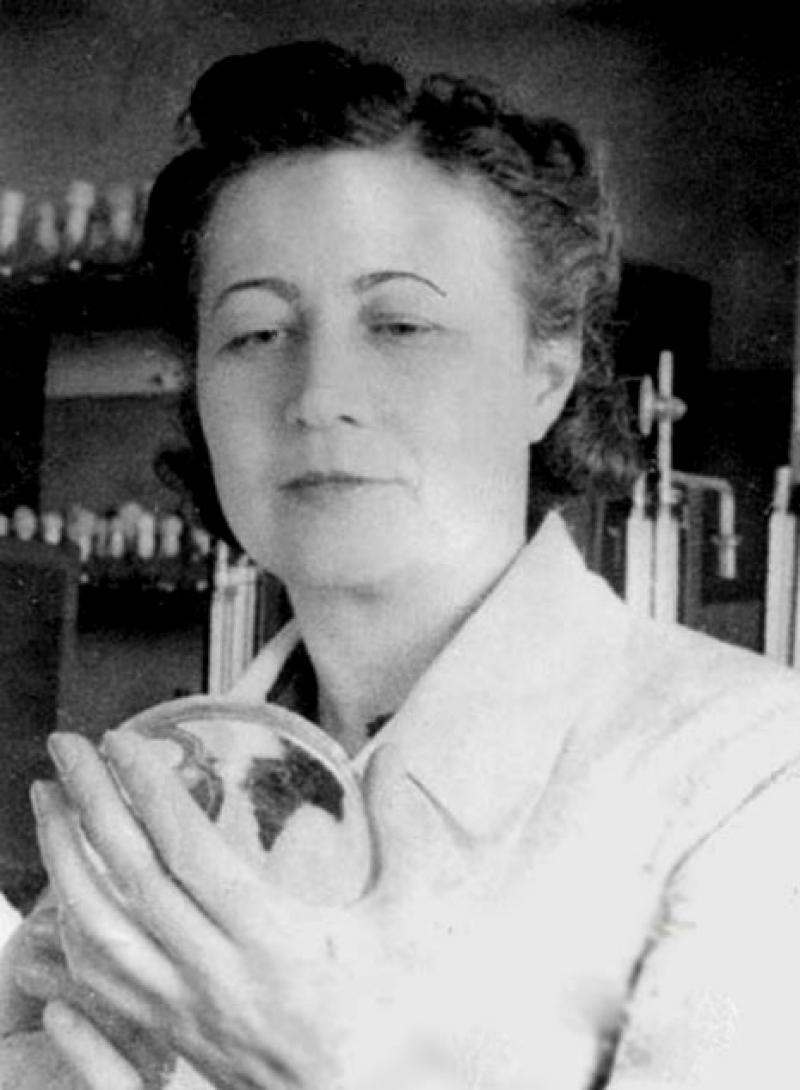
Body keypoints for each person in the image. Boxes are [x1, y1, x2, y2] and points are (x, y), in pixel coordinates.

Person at [3, 38, 800, 1090]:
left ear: (545, 374)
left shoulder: (750, 775)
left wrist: (333, 1067)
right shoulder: (169, 776)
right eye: (255, 332)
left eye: (401, 323)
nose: (319, 394)